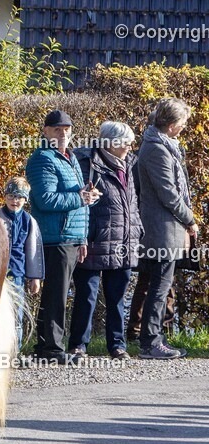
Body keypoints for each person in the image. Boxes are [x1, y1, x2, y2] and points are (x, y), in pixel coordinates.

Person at [25, 110, 100, 364]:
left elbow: (80, 199)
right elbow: (45, 200)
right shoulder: (42, 159)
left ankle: (48, 346)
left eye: (66, 129)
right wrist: (81, 198)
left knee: (58, 295)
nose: (63, 133)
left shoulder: (70, 157)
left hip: (71, 236)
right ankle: (51, 349)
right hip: (54, 237)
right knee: (55, 296)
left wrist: (82, 238)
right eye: (57, 129)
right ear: (45, 131)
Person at [68, 122, 142, 360]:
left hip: (124, 241)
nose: (130, 146)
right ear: (110, 143)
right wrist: (82, 236)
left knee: (117, 297)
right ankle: (79, 345)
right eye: (126, 142)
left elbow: (134, 202)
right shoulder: (86, 163)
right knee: (86, 296)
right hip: (94, 241)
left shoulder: (130, 164)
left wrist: (137, 230)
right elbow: (79, 202)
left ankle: (117, 345)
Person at [136, 98, 197, 360]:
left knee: (160, 285)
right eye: (182, 122)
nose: (184, 126)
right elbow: (169, 194)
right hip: (161, 228)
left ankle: (153, 339)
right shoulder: (157, 150)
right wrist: (190, 218)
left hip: (166, 227)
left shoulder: (162, 145)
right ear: (171, 125)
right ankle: (150, 342)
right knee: (160, 286)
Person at [0, 178, 44, 350]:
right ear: (5, 197)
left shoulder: (29, 221)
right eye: (10, 196)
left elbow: (33, 250)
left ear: (25, 200)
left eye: (19, 197)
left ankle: (15, 351)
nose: (14, 200)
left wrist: (35, 277)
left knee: (16, 314)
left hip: (17, 273)